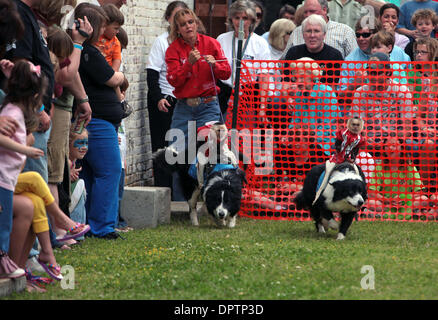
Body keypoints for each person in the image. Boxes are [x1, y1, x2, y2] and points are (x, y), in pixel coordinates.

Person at [76, 3, 126, 239]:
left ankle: (85, 222)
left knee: (88, 172)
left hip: (98, 120)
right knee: (109, 170)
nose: (104, 29)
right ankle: (102, 226)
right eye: (102, 25)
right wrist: (122, 76)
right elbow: (111, 78)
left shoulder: (85, 51)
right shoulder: (88, 52)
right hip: (99, 121)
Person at [0, 60, 45, 279]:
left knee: (13, 217)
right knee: (3, 226)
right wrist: (25, 149)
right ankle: (4, 265)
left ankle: (15, 267)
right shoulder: (11, 112)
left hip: (8, 179)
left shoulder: (16, 109)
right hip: (2, 179)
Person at [166, 8, 231, 153]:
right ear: (177, 29)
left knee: (210, 152)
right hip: (184, 107)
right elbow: (173, 80)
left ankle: (207, 176)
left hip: (208, 105)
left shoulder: (212, 43)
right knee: (177, 153)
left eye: (191, 22)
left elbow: (226, 73)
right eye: (183, 24)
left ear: (196, 24)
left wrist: (215, 64)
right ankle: (181, 176)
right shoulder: (173, 49)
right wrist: (188, 64)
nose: (188, 26)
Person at [147, 1, 188, 192]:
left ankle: (181, 193)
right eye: (176, 16)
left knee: (183, 148)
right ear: (168, 19)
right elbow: (152, 73)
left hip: (186, 102)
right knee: (163, 147)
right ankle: (163, 191)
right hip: (166, 99)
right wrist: (158, 98)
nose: (181, 21)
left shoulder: (190, 42)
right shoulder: (162, 41)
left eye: (185, 17)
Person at [216, 0, 271, 115]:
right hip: (224, 92)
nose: (241, 22)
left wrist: (262, 106)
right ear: (231, 19)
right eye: (237, 17)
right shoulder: (222, 39)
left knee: (245, 131)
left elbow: (263, 76)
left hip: (248, 93)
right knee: (221, 130)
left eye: (245, 18)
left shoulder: (260, 42)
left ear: (252, 20)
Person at [367, 137, 427, 215]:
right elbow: (372, 192)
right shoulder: (379, 167)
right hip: (386, 203)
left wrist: (405, 197)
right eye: (387, 146)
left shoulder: (410, 167)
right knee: (370, 202)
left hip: (406, 203)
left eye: (393, 145)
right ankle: (406, 213)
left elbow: (420, 191)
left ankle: (387, 214)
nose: (390, 148)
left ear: (402, 148)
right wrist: (388, 200)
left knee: (423, 199)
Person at [313, 117, 366, 205]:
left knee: (359, 174)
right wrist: (341, 156)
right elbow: (337, 145)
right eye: (353, 124)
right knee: (326, 174)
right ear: (349, 125)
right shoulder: (342, 133)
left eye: (358, 125)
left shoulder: (360, 138)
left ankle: (363, 198)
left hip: (349, 161)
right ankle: (318, 196)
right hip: (337, 159)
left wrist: (352, 158)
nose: (355, 127)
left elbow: (356, 149)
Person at [282, 0, 358, 59]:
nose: (308, 15)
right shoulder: (296, 32)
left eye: (312, 11)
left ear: (324, 10)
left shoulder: (345, 31)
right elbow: (282, 62)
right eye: (305, 12)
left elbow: (355, 63)